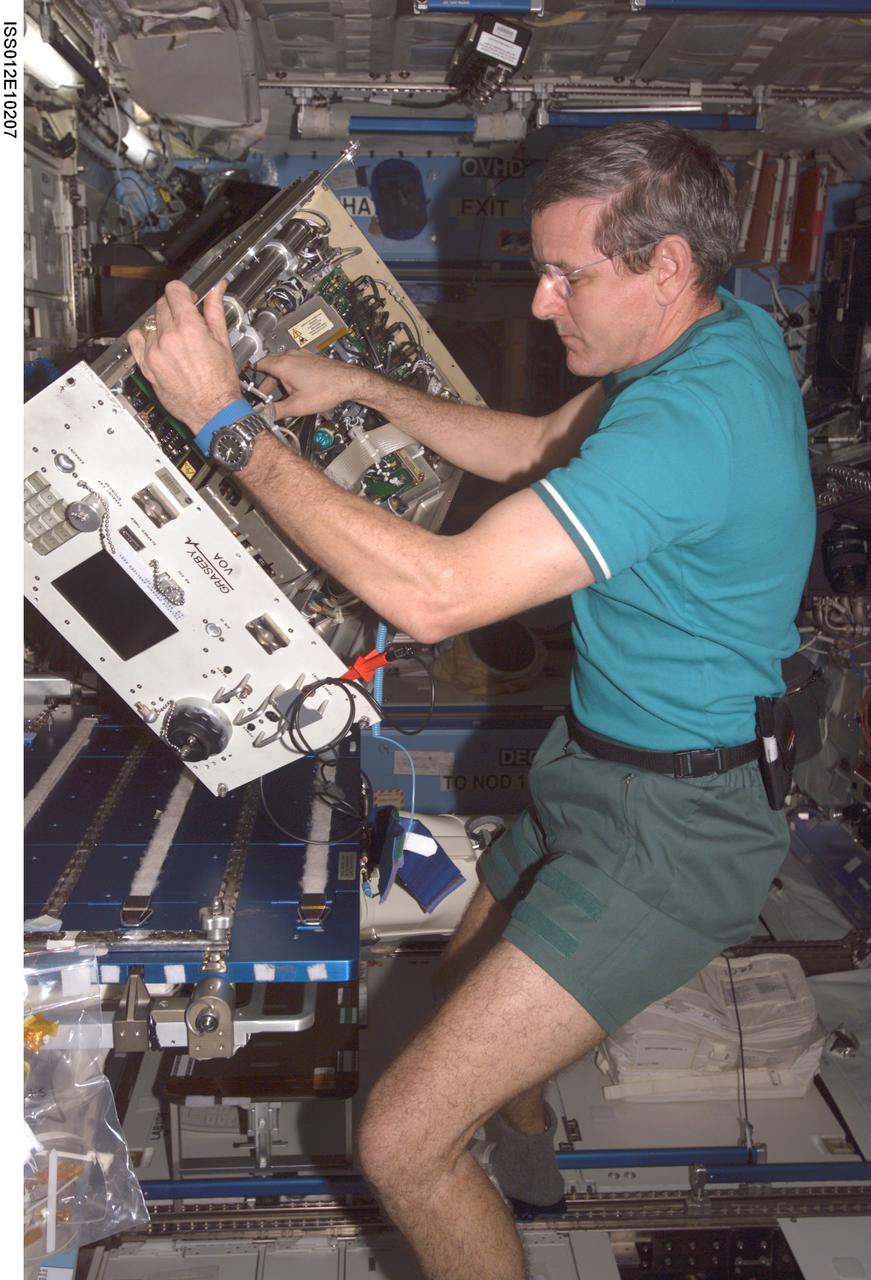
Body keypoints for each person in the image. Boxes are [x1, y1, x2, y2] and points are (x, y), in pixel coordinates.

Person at [129, 121, 816, 1280]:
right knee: (465, 984)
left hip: (676, 832)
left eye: (566, 275)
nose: (543, 305)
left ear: (665, 266)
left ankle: (497, 1155)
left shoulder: (691, 422)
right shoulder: (717, 336)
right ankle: (531, 1161)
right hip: (593, 768)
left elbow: (435, 595)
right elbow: (538, 443)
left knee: (400, 1141)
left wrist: (221, 422)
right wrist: (360, 385)